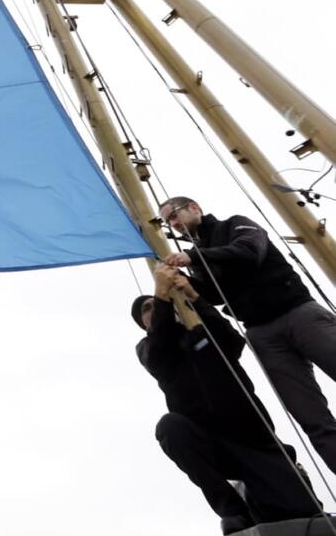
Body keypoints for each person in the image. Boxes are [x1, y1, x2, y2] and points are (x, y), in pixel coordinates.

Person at [159, 195, 336, 473]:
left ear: (195, 207)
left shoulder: (236, 225)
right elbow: (216, 296)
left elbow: (248, 252)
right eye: (167, 221)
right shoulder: (199, 256)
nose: (173, 224)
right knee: (309, 414)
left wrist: (193, 256)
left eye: (173, 215)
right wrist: (188, 283)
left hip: (298, 313)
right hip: (261, 332)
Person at [134, 264, 316, 533]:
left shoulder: (200, 328)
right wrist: (160, 294)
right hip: (210, 442)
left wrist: (195, 299)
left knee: (304, 515)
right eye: (145, 310)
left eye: (154, 305)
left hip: (254, 438)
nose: (152, 310)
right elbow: (161, 344)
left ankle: (260, 501)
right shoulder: (149, 348)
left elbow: (232, 342)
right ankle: (231, 508)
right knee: (170, 427)